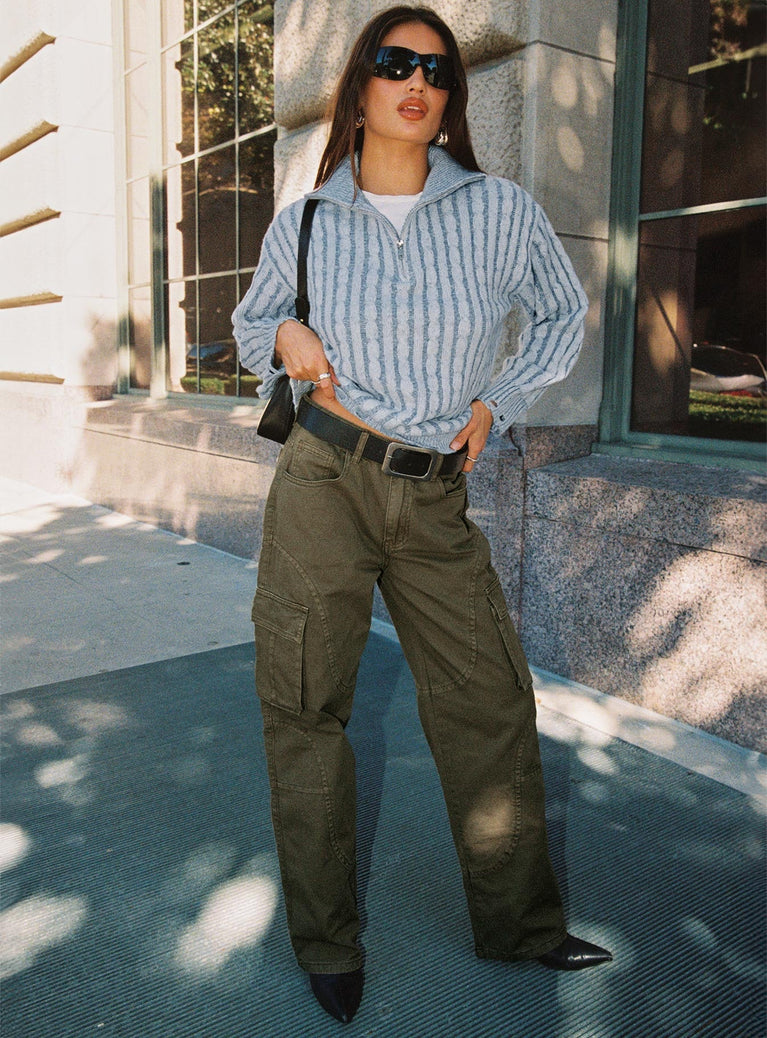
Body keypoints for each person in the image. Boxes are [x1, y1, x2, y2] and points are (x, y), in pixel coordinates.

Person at [233, 4, 611, 1025]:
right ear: (358, 85)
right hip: (323, 480)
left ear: (448, 97)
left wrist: (497, 403)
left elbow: (561, 313)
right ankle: (325, 940)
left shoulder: (496, 209)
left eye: (435, 71)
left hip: (434, 490)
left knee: (487, 703)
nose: (417, 82)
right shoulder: (305, 219)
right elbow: (250, 322)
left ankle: (521, 925)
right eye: (394, 64)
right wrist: (287, 341)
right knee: (306, 704)